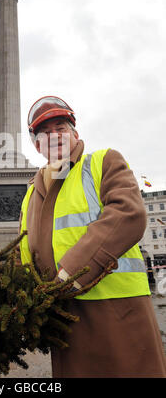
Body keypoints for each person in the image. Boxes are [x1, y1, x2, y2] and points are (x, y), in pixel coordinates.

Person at [19, 95, 166, 378]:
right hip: (64, 319)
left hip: (116, 312)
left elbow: (127, 214)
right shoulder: (30, 193)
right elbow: (24, 251)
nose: (55, 136)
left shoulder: (103, 162)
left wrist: (68, 273)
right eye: (45, 133)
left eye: (61, 127)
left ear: (75, 134)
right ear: (37, 146)